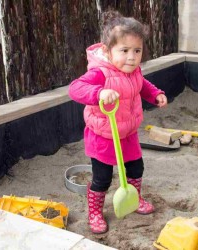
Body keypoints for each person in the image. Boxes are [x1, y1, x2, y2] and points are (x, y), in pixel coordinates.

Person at [68, 10, 167, 234]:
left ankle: (134, 199)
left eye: (137, 50)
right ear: (107, 50)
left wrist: (155, 94)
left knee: (136, 168)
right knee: (102, 178)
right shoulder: (100, 73)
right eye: (124, 51)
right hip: (103, 135)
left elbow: (142, 84)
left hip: (128, 132)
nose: (132, 57)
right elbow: (75, 89)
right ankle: (94, 212)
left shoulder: (134, 71)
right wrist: (99, 93)